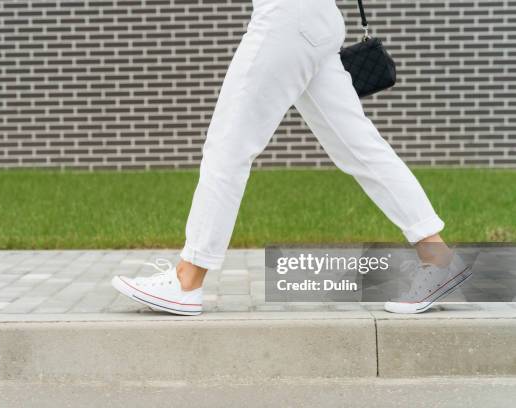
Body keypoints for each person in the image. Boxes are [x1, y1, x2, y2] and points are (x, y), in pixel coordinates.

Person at [111, 0, 472, 315]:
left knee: (229, 146)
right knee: (360, 148)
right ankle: (438, 258)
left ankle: (187, 280)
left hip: (286, 18)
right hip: (316, 18)